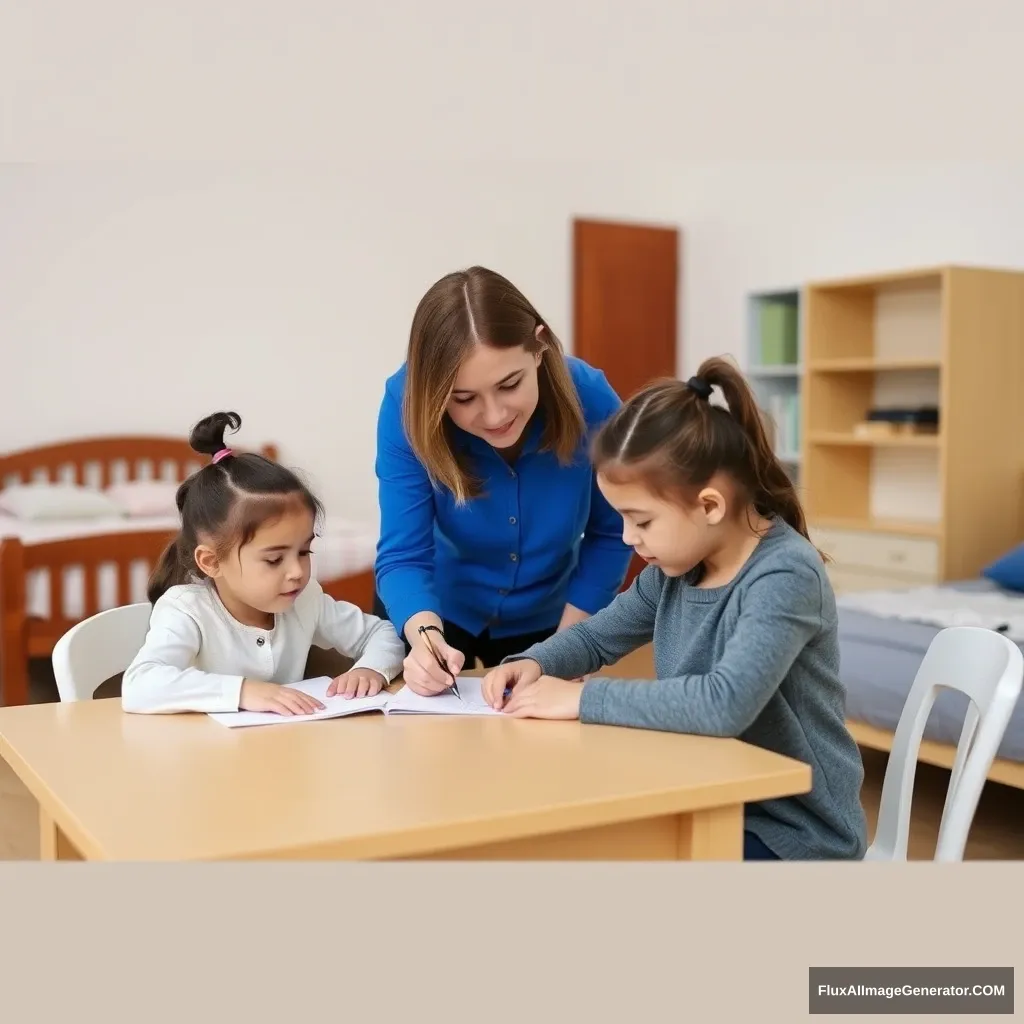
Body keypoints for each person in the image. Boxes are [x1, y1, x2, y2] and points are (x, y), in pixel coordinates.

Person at [480, 356, 868, 861]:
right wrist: (533, 663)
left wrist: (581, 699)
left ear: (709, 506)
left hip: (795, 830)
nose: (626, 537)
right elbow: (597, 638)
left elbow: (723, 704)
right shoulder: (676, 571)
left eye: (640, 520)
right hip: (712, 796)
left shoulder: (784, 576)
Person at [373, 265, 634, 695]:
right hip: (434, 608)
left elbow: (613, 531)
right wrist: (424, 640)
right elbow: (403, 554)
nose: (494, 416)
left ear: (540, 346)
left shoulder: (592, 398)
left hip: (548, 615)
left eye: (510, 384)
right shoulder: (405, 406)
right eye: (463, 399)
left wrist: (569, 646)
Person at [121, 412, 406, 715]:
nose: (297, 572)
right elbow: (140, 684)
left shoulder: (305, 600)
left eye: (304, 552)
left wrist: (372, 669)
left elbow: (382, 633)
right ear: (211, 561)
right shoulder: (187, 610)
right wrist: (242, 691)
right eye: (274, 559)